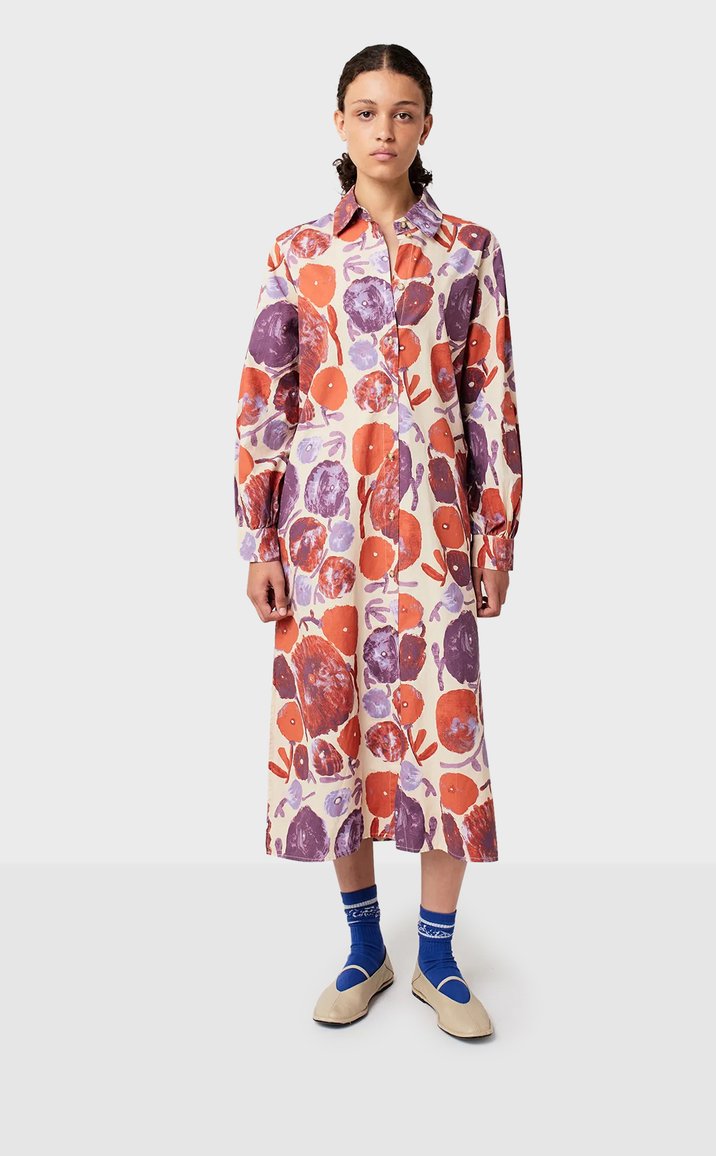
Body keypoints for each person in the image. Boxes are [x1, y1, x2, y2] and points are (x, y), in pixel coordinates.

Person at [233, 44, 523, 1039]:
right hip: (324, 538)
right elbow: (264, 397)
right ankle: (366, 947)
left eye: (402, 112)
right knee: (335, 733)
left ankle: (436, 958)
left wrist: (496, 536)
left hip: (433, 536)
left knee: (445, 732)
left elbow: (491, 399)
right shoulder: (296, 252)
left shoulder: (470, 250)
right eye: (366, 112)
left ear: (426, 126)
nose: (384, 130)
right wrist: (258, 538)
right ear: (340, 125)